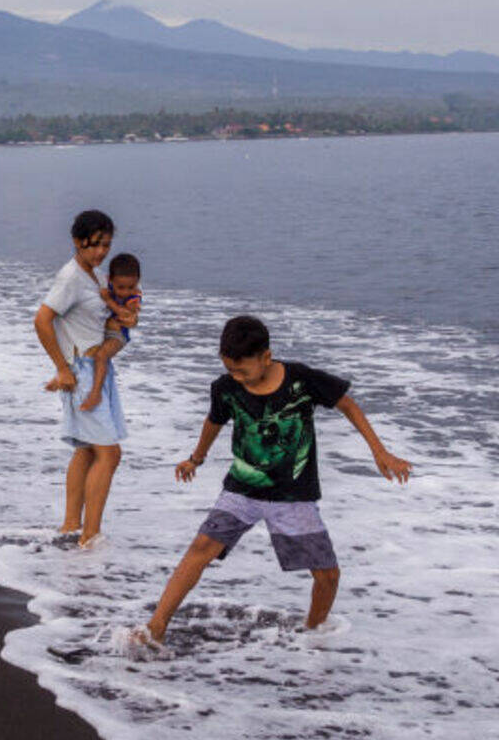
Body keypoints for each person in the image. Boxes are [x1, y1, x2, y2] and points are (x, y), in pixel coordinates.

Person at [131, 314, 411, 647]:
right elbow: (214, 422)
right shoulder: (226, 387)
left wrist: (380, 452)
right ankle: (156, 626)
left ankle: (314, 634)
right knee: (200, 548)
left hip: (294, 496)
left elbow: (347, 405)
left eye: (243, 370)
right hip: (242, 488)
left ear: (266, 356)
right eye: (230, 369)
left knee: (328, 575)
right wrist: (195, 458)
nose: (236, 377)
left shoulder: (301, 379)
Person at [33, 209, 126, 548]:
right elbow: (42, 320)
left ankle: (72, 525)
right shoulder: (71, 277)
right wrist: (61, 368)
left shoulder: (97, 277)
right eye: (95, 244)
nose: (101, 251)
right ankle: (90, 534)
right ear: (77, 242)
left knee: (87, 450)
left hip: (97, 372)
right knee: (109, 453)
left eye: (106, 244)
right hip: (80, 373)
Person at [80, 252, 142, 414]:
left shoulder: (134, 299)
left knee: (101, 356)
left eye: (131, 287)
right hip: (101, 330)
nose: (125, 292)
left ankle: (95, 394)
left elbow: (126, 316)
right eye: (120, 287)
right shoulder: (104, 285)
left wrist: (108, 301)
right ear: (110, 280)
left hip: (118, 335)